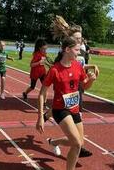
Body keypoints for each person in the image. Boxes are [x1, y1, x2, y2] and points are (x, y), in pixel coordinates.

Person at [36, 36, 97, 170]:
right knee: (76, 144)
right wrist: (41, 117)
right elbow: (41, 94)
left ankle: (54, 142)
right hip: (60, 110)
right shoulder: (54, 70)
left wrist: (91, 80)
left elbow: (84, 87)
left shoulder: (77, 66)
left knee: (79, 143)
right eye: (76, 50)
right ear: (67, 50)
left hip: (74, 108)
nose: (79, 53)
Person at [22, 38, 48, 108]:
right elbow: (31, 65)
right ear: (39, 48)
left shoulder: (44, 54)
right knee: (32, 87)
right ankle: (25, 93)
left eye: (46, 49)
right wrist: (39, 62)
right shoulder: (36, 54)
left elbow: (45, 62)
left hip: (42, 72)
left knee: (45, 87)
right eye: (43, 49)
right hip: (35, 73)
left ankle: (44, 103)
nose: (45, 50)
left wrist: (50, 65)